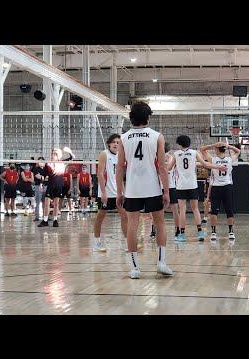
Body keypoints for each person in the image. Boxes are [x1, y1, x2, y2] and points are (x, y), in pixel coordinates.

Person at [116, 101, 172, 279]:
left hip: (132, 189)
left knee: (132, 226)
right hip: (153, 187)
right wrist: (166, 191)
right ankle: (161, 263)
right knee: (160, 224)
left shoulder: (123, 138)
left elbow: (119, 168)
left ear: (131, 118)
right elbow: (162, 167)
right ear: (147, 117)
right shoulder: (157, 136)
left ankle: (134, 268)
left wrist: (119, 191)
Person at [167, 135, 227, 242]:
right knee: (195, 209)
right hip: (192, 185)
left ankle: (181, 235)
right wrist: (218, 166)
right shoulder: (194, 153)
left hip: (181, 186)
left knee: (182, 210)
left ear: (180, 144)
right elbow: (205, 164)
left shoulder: (176, 154)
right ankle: (200, 233)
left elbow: (169, 168)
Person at [93, 134, 128, 252]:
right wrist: (103, 193)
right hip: (106, 193)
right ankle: (97, 242)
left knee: (125, 216)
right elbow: (100, 174)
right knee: (100, 217)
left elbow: (120, 176)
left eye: (118, 142)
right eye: (113, 142)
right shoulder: (104, 154)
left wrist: (123, 192)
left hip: (117, 193)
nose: (116, 144)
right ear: (109, 143)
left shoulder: (121, 156)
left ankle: (129, 242)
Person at [200, 141, 240, 241]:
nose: (214, 149)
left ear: (217, 149)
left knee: (214, 211)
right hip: (227, 187)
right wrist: (229, 146)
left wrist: (213, 144)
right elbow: (238, 151)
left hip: (217, 188)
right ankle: (231, 232)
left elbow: (202, 149)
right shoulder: (229, 159)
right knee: (229, 211)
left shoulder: (213, 159)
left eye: (215, 149)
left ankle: (214, 233)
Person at [38, 147, 74, 228]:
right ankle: (45, 220)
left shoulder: (62, 162)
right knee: (46, 203)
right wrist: (41, 184)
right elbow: (44, 175)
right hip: (50, 186)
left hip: (58, 186)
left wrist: (69, 152)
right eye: (52, 153)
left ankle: (55, 220)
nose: (53, 155)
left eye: (55, 154)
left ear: (59, 156)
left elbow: (72, 157)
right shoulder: (48, 164)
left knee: (56, 204)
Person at [33, 157, 47, 221]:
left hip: (46, 186)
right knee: (38, 202)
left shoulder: (46, 169)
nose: (40, 162)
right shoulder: (35, 168)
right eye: (39, 161)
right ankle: (37, 217)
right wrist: (43, 177)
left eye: (42, 161)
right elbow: (38, 177)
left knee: (45, 202)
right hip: (38, 186)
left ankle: (45, 216)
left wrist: (42, 177)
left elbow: (47, 178)